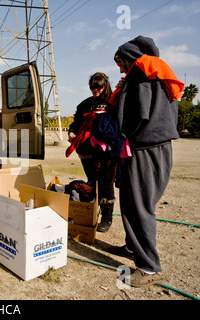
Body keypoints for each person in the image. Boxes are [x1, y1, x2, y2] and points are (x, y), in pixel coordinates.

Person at [109, 36, 184, 287]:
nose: (120, 69)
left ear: (129, 58)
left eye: (120, 62)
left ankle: (149, 268)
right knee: (136, 200)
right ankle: (133, 246)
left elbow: (136, 115)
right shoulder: (157, 73)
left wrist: (120, 108)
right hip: (159, 147)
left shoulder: (139, 75)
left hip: (143, 148)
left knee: (138, 204)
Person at [67, 72, 116, 232]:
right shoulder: (84, 104)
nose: (96, 90)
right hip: (87, 151)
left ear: (105, 86)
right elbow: (75, 123)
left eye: (99, 88)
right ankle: (92, 213)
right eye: (93, 88)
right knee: (93, 182)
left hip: (106, 151)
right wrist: (72, 132)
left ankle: (107, 219)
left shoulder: (113, 102)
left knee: (106, 183)